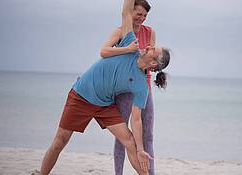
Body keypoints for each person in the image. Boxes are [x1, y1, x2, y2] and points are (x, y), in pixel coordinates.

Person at [39, 0, 170, 174]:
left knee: (130, 141)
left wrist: (140, 150)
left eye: (154, 49)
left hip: (104, 105)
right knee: (60, 141)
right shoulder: (130, 43)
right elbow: (125, 12)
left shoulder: (141, 86)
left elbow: (136, 120)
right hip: (81, 95)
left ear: (153, 63)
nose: (150, 45)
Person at [100, 0, 157, 174]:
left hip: (143, 87)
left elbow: (150, 60)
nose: (142, 19)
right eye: (138, 14)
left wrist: (152, 63)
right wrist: (126, 49)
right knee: (123, 136)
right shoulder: (121, 31)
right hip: (124, 89)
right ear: (131, 12)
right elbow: (104, 52)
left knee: (148, 136)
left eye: (145, 15)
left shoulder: (150, 32)